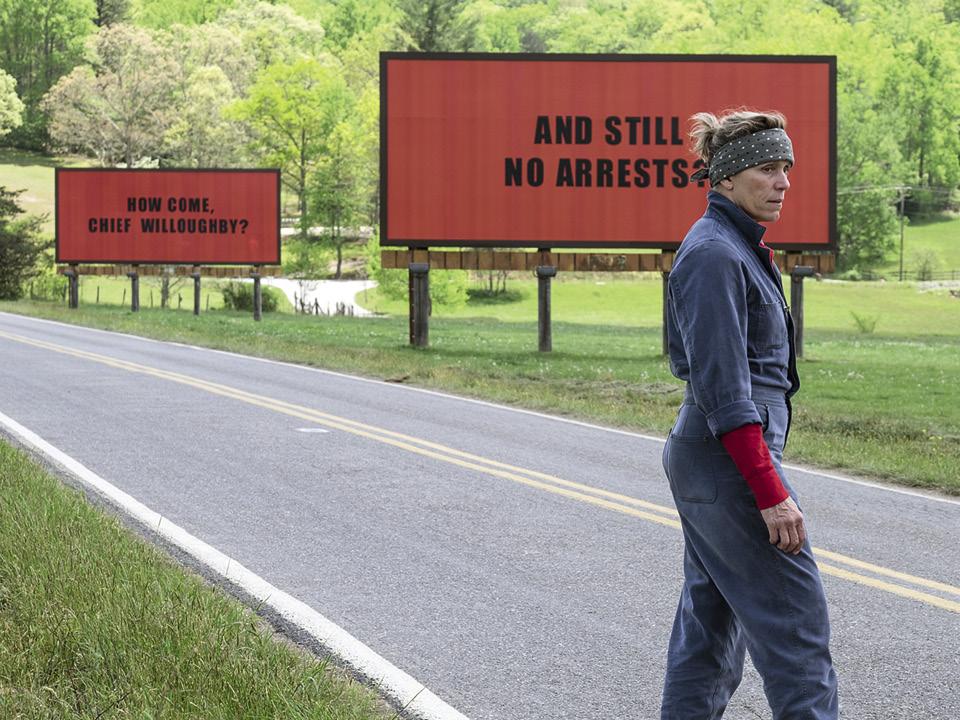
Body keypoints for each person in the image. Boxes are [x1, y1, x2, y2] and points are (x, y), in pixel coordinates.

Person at [660, 109, 839, 719]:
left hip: (718, 459)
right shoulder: (714, 254)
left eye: (786, 167)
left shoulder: (735, 246)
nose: (782, 182)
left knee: (710, 631)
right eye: (767, 168)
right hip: (728, 459)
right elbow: (725, 391)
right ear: (727, 178)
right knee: (796, 631)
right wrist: (769, 491)